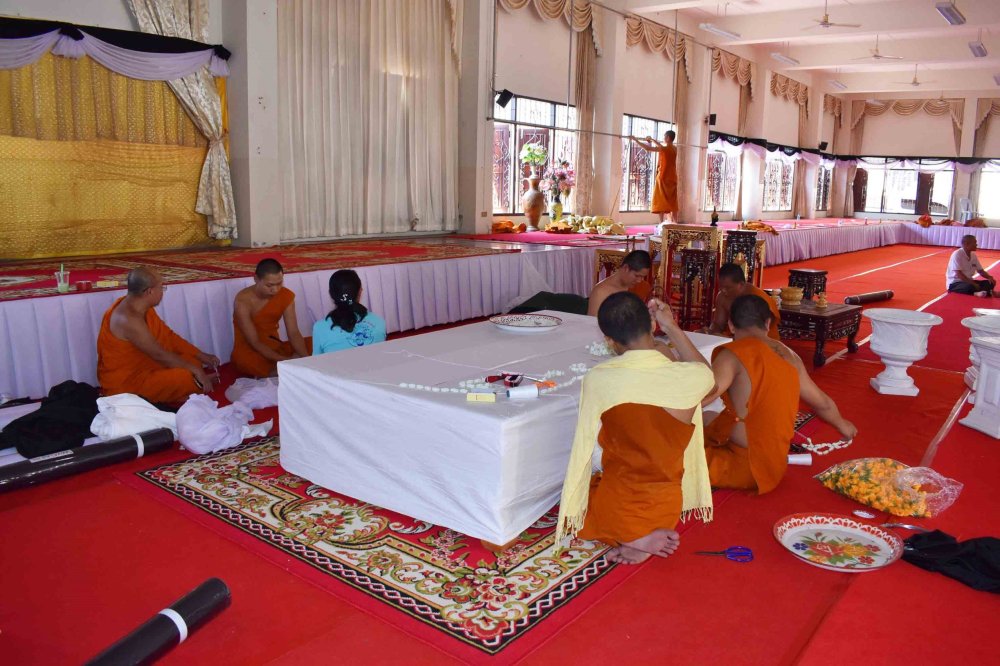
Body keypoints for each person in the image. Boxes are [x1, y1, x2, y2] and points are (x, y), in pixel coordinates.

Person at [555, 291, 716, 565]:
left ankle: (630, 536)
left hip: (620, 500)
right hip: (666, 503)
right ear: (653, 325)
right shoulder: (691, 376)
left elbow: (587, 444)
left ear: (609, 341)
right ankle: (639, 535)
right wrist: (672, 328)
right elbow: (710, 378)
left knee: (583, 503)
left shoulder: (599, 378)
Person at [703, 294, 857, 494]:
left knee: (676, 441)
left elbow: (702, 397)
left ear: (731, 326)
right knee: (709, 417)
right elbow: (822, 403)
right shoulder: (789, 356)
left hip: (745, 467)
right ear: (768, 324)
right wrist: (843, 425)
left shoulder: (732, 355)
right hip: (775, 465)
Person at [97, 267, 220, 403]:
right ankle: (186, 390)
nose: (163, 291)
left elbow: (168, 337)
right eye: (161, 287)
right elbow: (159, 355)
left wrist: (200, 355)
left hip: (147, 367)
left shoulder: (142, 307)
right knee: (186, 376)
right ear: (149, 291)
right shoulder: (128, 319)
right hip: (126, 384)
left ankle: (183, 390)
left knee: (192, 362)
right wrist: (198, 372)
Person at [231, 259, 309, 377]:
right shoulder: (243, 301)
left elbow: (293, 332)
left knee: (314, 343)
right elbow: (255, 342)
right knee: (244, 361)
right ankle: (281, 369)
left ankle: (282, 369)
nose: (275, 289)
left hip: (275, 345)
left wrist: (306, 359)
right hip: (251, 348)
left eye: (279, 283)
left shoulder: (286, 295)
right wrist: (285, 361)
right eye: (269, 285)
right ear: (256, 279)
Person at [313, 269, 387, 355]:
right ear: (360, 292)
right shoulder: (379, 322)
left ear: (331, 294)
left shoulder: (319, 328)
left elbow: (316, 360)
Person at [705, 262, 781, 340]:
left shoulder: (756, 297)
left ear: (741, 284)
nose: (723, 291)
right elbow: (718, 323)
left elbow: (759, 330)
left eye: (728, 288)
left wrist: (731, 339)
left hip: (761, 340)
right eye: (721, 287)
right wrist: (710, 333)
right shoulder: (722, 296)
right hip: (733, 337)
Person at [630, 130, 678, 224]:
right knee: (673, 201)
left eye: (664, 136)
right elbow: (662, 146)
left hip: (663, 178)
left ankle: (661, 223)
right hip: (672, 178)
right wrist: (652, 140)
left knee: (661, 200)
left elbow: (647, 148)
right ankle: (675, 223)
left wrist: (635, 140)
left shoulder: (664, 149)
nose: (663, 138)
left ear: (668, 138)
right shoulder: (674, 149)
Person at [587, 250, 653, 317]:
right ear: (626, 268)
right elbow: (593, 322)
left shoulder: (643, 287)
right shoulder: (600, 292)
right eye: (637, 276)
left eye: (642, 277)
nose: (639, 281)